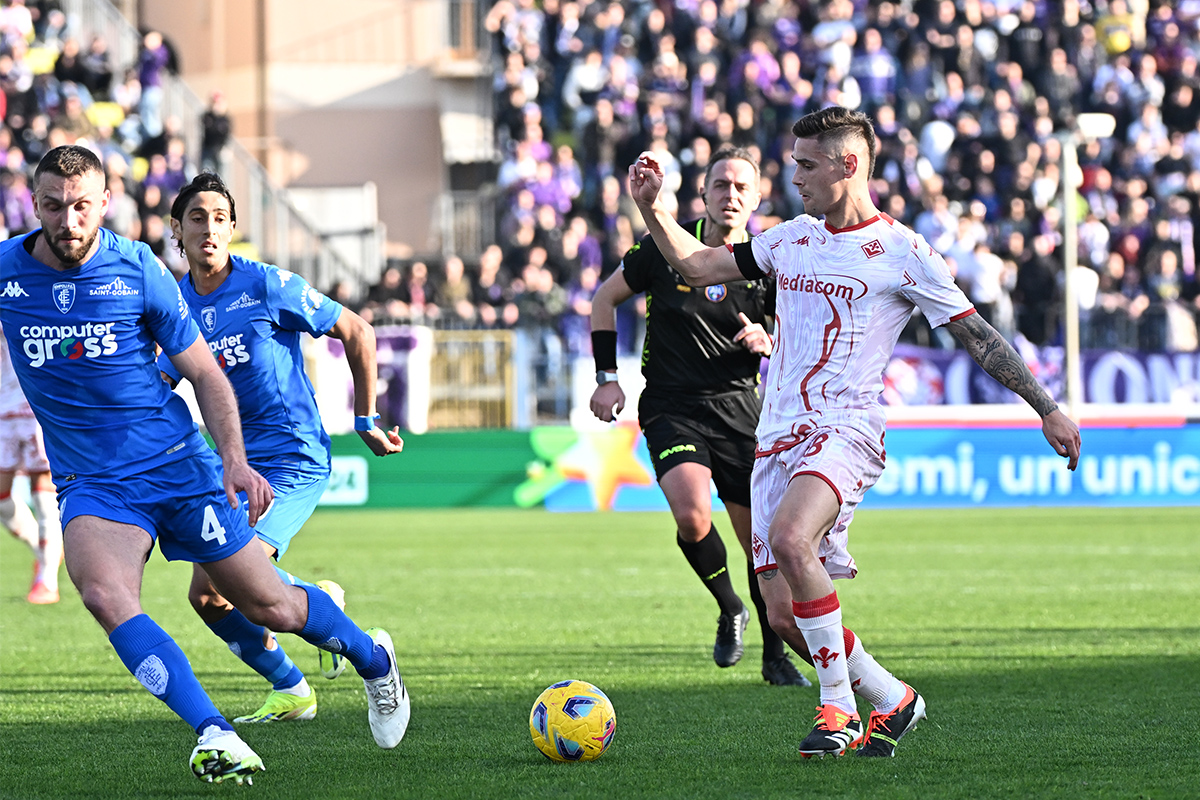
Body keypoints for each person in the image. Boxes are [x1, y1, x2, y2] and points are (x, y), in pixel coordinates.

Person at [626, 107, 1081, 758]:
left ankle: (836, 706)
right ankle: (892, 698)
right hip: (776, 439)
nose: (794, 176)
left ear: (848, 166)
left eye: (806, 165)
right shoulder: (789, 239)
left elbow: (975, 334)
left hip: (847, 430)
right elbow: (697, 267)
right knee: (783, 616)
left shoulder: (902, 251)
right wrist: (651, 209)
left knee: (790, 537)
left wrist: (1046, 406)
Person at [0, 146, 410, 784]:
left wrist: (235, 463)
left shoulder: (138, 269)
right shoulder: (6, 274)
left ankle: (374, 661)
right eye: (53, 206)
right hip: (94, 484)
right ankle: (214, 731)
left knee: (270, 605)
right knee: (106, 595)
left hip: (180, 467)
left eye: (82, 205)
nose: (68, 220)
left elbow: (206, 375)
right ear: (34, 203)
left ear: (105, 204)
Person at [158, 172, 405, 725]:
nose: (209, 229)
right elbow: (158, 384)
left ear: (233, 228)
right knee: (207, 598)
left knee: (237, 584)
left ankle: (366, 650)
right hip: (236, 465)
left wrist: (365, 418)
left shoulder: (266, 284)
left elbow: (358, 332)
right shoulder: (172, 309)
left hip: (293, 456)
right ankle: (292, 687)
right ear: (176, 229)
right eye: (197, 218)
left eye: (220, 218)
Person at [589, 145, 809, 687]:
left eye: (741, 188)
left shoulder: (769, 262)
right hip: (670, 405)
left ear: (756, 198)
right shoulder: (665, 245)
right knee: (691, 515)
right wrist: (606, 377)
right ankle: (728, 605)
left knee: (760, 541)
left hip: (740, 410)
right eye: (721, 185)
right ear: (703, 193)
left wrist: (770, 340)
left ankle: (774, 657)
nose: (730, 195)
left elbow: (801, 344)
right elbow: (602, 299)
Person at [0, 322, 62, 604]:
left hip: (34, 404)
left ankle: (47, 581)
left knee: (43, 484)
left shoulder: (21, 287)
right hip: (2, 407)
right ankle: (45, 550)